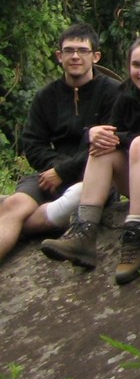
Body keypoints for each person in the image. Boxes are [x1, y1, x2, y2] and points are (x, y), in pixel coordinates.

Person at [40, 33, 140, 270]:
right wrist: (95, 133)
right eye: (136, 65)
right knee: (102, 148)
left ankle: (135, 233)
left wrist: (123, 138)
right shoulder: (125, 93)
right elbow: (113, 133)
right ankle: (85, 233)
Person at [1, 23, 120, 266]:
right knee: (14, 204)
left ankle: (20, 226)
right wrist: (56, 169)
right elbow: (32, 143)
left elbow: (111, 144)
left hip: (94, 177)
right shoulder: (46, 96)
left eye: (82, 51)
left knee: (72, 199)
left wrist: (64, 171)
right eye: (68, 50)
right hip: (50, 174)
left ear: (95, 56)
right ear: (59, 56)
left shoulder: (113, 93)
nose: (75, 56)